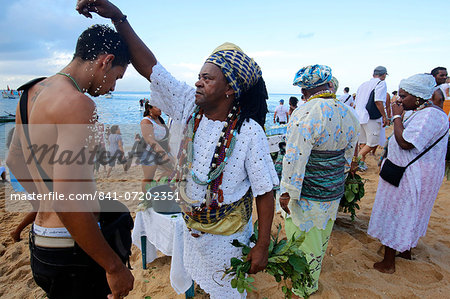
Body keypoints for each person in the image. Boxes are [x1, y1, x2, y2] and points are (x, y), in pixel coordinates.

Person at [76, 1, 278, 298]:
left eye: (207, 78)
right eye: (199, 75)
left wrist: (261, 246)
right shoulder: (187, 105)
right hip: (190, 230)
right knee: (197, 282)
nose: (197, 82)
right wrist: (119, 18)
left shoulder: (249, 133)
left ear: (230, 89)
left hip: (227, 239)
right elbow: (152, 69)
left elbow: (264, 192)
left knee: (225, 292)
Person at [6, 24, 134, 298]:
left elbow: (14, 162)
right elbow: (67, 200)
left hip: (42, 243)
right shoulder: (78, 103)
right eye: (117, 77)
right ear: (106, 61)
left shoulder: (28, 94)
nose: (112, 86)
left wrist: (42, 202)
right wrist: (113, 267)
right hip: (73, 250)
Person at [279, 65, 359, 297]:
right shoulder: (347, 112)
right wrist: (336, 179)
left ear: (303, 88)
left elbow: (295, 158)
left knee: (304, 239)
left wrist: (287, 193)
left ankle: (303, 286)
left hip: (309, 192)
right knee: (321, 235)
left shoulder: (306, 113)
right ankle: (310, 276)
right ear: (328, 84)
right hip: (332, 188)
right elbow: (348, 156)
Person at [368, 73, 449, 274]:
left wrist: (396, 115)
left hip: (411, 175)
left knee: (399, 212)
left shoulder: (430, 115)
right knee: (411, 212)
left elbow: (405, 143)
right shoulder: (422, 111)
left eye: (403, 96)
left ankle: (388, 263)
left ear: (419, 97)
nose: (399, 100)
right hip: (412, 172)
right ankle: (405, 251)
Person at [354, 66, 389, 169]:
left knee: (363, 142)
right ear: (383, 75)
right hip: (370, 117)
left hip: (359, 116)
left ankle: (361, 165)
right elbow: (378, 101)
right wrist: (384, 116)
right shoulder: (381, 83)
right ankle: (356, 162)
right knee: (373, 143)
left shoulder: (363, 84)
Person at [139, 102, 171, 192]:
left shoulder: (159, 119)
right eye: (156, 106)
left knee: (171, 170)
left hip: (159, 150)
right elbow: (150, 140)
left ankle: (155, 187)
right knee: (148, 178)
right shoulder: (146, 121)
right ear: (149, 109)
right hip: (148, 152)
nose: (160, 108)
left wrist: (167, 146)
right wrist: (163, 154)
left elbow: (163, 135)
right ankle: (146, 199)